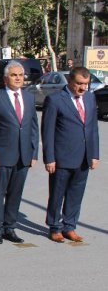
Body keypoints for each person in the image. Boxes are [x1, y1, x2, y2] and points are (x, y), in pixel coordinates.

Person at [0, 61, 39, 244]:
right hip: (2, 155)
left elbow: (33, 129)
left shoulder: (29, 99)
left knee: (16, 193)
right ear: (6, 78)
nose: (18, 78)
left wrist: (34, 153)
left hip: (23, 155)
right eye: (14, 75)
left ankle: (10, 227)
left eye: (21, 75)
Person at [41, 67, 100, 243]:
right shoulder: (55, 100)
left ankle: (70, 226)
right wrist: (49, 158)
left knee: (76, 194)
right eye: (79, 84)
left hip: (83, 156)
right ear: (70, 81)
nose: (83, 88)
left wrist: (94, 154)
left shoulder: (89, 98)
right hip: (62, 157)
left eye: (86, 84)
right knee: (57, 194)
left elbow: (92, 129)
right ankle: (55, 227)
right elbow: (48, 131)